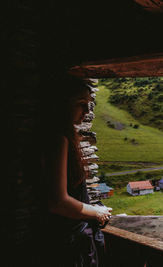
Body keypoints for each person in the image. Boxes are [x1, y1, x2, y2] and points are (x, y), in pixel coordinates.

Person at [37, 74, 112, 266]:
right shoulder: (58, 139)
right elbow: (58, 201)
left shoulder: (59, 134)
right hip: (70, 243)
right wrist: (96, 212)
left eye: (88, 103)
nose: (87, 110)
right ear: (62, 103)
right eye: (80, 103)